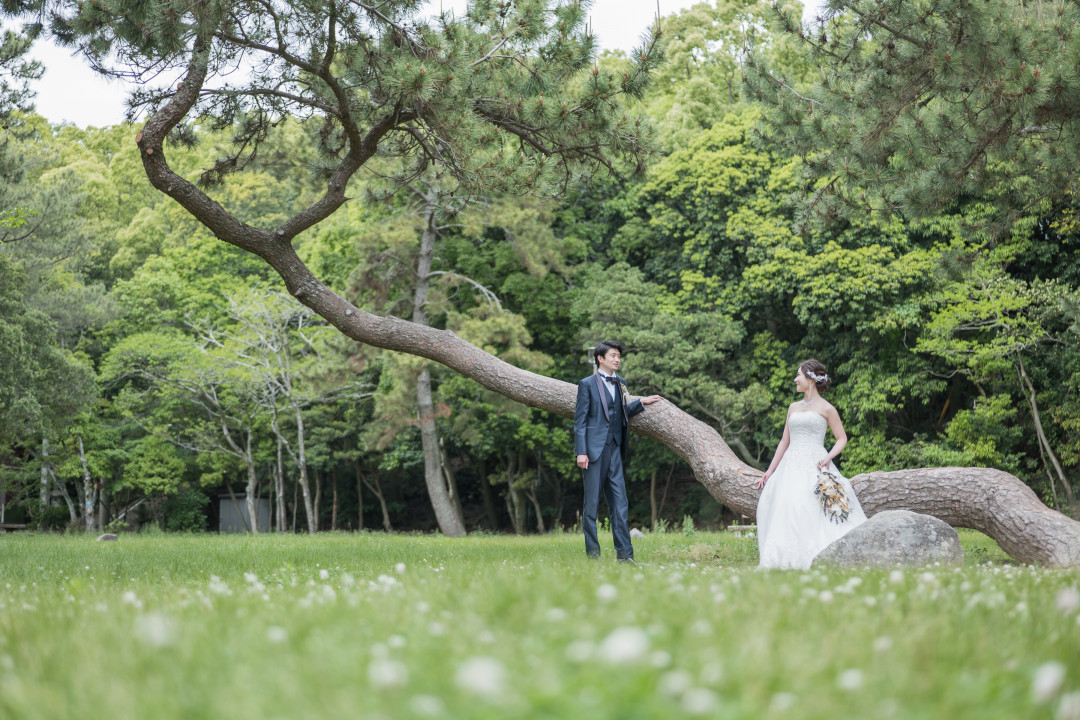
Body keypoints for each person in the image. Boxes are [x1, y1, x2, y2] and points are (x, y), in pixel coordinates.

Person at [754, 359, 867, 569]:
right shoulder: (793, 407)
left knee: (813, 507)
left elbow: (841, 438)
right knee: (787, 506)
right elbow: (784, 441)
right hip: (790, 463)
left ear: (811, 379)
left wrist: (829, 457)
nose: (795, 379)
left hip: (816, 463)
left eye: (799, 375)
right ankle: (784, 556)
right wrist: (770, 471)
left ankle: (822, 555)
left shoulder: (827, 408)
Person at [574, 340, 663, 562]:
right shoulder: (586, 384)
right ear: (600, 358)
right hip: (593, 452)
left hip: (615, 449)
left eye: (619, 356)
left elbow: (620, 412)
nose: (617, 359)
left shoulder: (620, 382)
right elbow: (580, 421)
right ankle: (593, 558)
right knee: (591, 508)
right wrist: (581, 451)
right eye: (613, 355)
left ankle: (625, 557)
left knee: (620, 504)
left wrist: (641, 402)